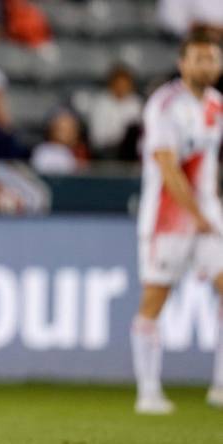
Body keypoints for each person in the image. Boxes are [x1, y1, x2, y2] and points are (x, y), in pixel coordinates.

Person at [132, 30, 223, 415]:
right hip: (168, 217)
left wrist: (211, 210)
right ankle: (148, 392)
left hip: (207, 214)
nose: (208, 65)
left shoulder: (217, 103)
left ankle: (220, 386)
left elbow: (210, 164)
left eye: (213, 58)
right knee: (155, 299)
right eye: (200, 58)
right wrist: (198, 215)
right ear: (182, 63)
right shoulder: (165, 105)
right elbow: (167, 167)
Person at [87, 65, 143, 160]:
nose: (122, 88)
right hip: (106, 151)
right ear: (112, 84)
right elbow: (97, 138)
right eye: (119, 84)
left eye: (125, 84)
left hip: (131, 152)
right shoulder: (101, 104)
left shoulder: (136, 103)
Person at [30, 108, 88, 174]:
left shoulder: (81, 151)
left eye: (70, 130)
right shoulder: (45, 152)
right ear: (52, 130)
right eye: (62, 130)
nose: (67, 134)